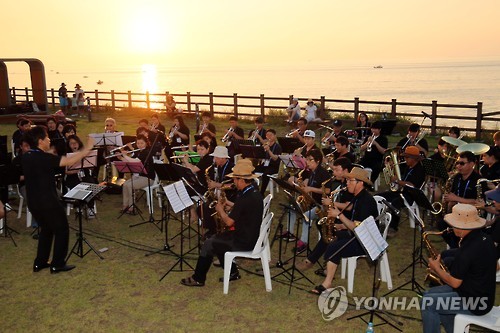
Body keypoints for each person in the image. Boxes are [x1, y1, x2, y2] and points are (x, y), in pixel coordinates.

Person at [180, 158, 263, 287]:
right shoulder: (253, 191)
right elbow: (242, 208)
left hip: (245, 240)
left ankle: (198, 278)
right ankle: (233, 273)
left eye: (235, 179)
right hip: (250, 234)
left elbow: (229, 222)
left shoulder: (245, 198)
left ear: (241, 180)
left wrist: (220, 210)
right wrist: (228, 204)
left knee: (209, 243)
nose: (234, 182)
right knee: (217, 239)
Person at [23, 126, 94, 273]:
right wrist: (87, 149)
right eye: (47, 137)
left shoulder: (27, 156)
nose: (49, 139)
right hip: (48, 201)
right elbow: (68, 161)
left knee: (46, 230)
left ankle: (40, 262)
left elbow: (40, 166)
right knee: (62, 230)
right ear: (41, 141)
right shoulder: (43, 157)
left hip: (33, 202)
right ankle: (57, 264)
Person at [421, 203, 496, 333]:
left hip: (476, 303)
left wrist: (436, 268)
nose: (451, 227)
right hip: (481, 295)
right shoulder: (485, 238)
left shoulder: (467, 250)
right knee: (428, 294)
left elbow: (455, 283)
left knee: (428, 303)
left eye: (453, 224)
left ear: (460, 227)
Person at [310, 167, 378, 294]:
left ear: (360, 183)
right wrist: (339, 226)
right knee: (331, 237)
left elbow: (357, 227)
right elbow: (354, 222)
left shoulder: (366, 201)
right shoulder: (357, 197)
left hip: (365, 241)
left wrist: (338, 215)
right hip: (356, 235)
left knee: (334, 247)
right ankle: (326, 267)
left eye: (350, 180)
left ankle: (327, 283)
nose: (347, 183)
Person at [297, 157, 354, 271]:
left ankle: (311, 260)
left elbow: (349, 206)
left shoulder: (349, 186)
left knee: (328, 234)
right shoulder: (340, 183)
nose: (334, 173)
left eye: (337, 170)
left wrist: (332, 203)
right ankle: (329, 250)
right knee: (321, 225)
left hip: (346, 220)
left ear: (346, 171)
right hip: (338, 216)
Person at [285, 149, 331, 253]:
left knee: (306, 216)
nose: (308, 162)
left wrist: (311, 189)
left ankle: (303, 242)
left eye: (310, 160)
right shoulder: (312, 172)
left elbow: (328, 190)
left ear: (318, 161)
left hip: (322, 205)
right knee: (291, 208)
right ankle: (290, 232)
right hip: (312, 202)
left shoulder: (323, 173)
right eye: (307, 160)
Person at [378, 146, 426, 236]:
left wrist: (397, 181)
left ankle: (393, 228)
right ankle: (378, 222)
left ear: (414, 158)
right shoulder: (408, 167)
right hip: (402, 192)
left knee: (396, 202)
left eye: (407, 157)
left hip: (412, 195)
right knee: (379, 197)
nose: (405, 159)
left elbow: (411, 185)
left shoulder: (419, 170)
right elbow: (402, 181)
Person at [120, 134, 155, 214]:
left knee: (130, 185)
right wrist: (122, 158)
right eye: (138, 143)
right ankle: (125, 206)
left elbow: (136, 161)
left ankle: (131, 207)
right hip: (139, 176)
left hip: (148, 178)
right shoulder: (138, 151)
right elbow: (130, 161)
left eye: (142, 143)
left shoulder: (147, 152)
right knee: (125, 184)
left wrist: (125, 155)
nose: (139, 145)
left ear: (146, 143)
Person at [255, 129, 282, 195]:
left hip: (274, 167)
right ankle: (254, 189)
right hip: (265, 165)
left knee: (265, 175)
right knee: (252, 169)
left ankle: (262, 193)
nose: (269, 137)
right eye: (267, 135)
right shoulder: (266, 145)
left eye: (271, 135)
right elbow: (261, 158)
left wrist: (269, 151)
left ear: (275, 136)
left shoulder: (278, 147)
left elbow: (275, 158)